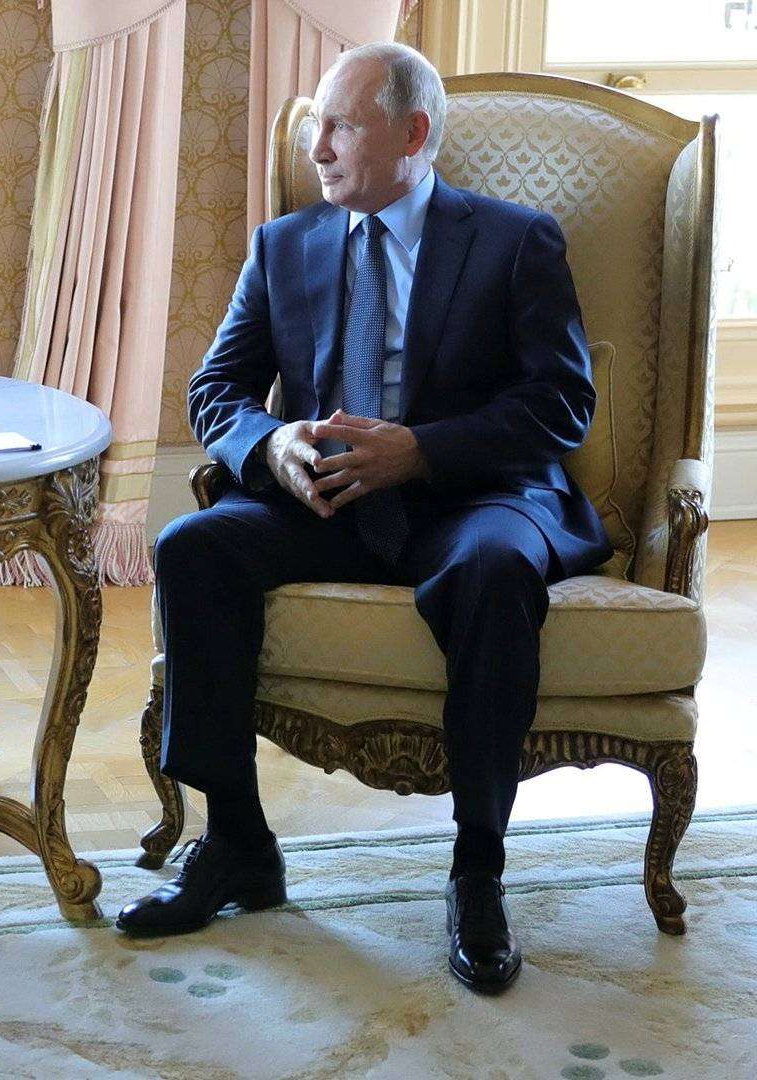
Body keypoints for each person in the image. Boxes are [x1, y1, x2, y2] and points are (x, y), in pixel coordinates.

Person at [116, 42, 609, 994]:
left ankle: (477, 872)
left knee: (495, 569)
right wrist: (272, 444)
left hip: (471, 499)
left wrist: (421, 450)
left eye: (341, 125)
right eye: (317, 124)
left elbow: (562, 405)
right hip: (327, 502)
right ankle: (237, 844)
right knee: (194, 548)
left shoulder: (514, 241)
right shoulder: (285, 245)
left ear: (414, 133)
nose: (319, 147)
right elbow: (215, 390)